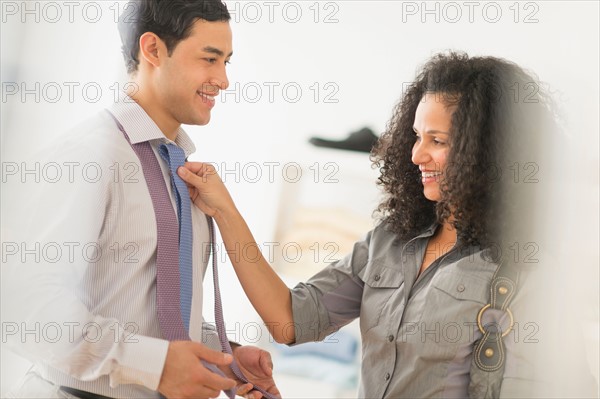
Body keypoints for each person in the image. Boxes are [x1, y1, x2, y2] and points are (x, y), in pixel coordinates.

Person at [175, 52, 566, 397]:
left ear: (486, 154)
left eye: (437, 140)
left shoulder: (526, 272)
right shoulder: (392, 240)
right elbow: (291, 321)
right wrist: (226, 212)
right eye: (416, 136)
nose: (416, 155)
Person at [2, 1, 280, 399]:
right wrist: (154, 364)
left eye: (227, 63)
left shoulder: (182, 172)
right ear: (152, 50)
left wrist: (223, 357)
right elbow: (25, 308)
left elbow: (145, 307)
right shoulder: (87, 157)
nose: (223, 80)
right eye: (210, 59)